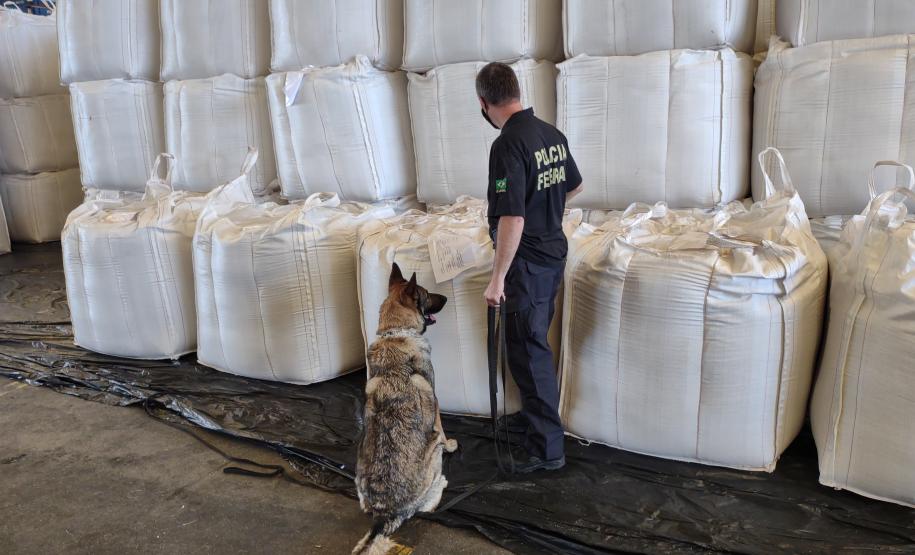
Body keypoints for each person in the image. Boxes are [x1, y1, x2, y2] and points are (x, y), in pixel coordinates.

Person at [476, 62, 583, 473]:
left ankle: (546, 449)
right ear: (516, 91)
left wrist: (498, 277)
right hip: (552, 254)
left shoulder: (507, 145)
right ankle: (536, 421)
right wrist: (546, 206)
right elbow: (573, 185)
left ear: (484, 103)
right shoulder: (550, 135)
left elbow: (512, 218)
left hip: (527, 264)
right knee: (529, 344)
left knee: (528, 350)